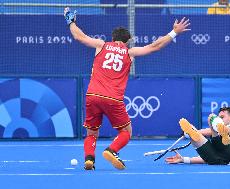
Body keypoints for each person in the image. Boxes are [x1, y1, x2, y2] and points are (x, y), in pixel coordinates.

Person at [63, 7, 190, 170]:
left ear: (112, 38)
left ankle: (89, 159)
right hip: (113, 98)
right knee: (126, 131)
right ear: (128, 40)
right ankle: (112, 150)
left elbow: (79, 36)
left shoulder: (100, 45)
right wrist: (174, 32)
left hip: (92, 95)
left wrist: (70, 21)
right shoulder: (129, 52)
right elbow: (155, 47)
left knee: (91, 133)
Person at [166, 107, 230, 165]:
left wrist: (197, 131)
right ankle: (192, 133)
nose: (220, 119)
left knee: (211, 117)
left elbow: (227, 130)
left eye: (222, 117)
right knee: (194, 137)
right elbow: (204, 159)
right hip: (218, 160)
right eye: (219, 119)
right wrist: (183, 159)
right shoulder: (217, 131)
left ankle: (220, 133)